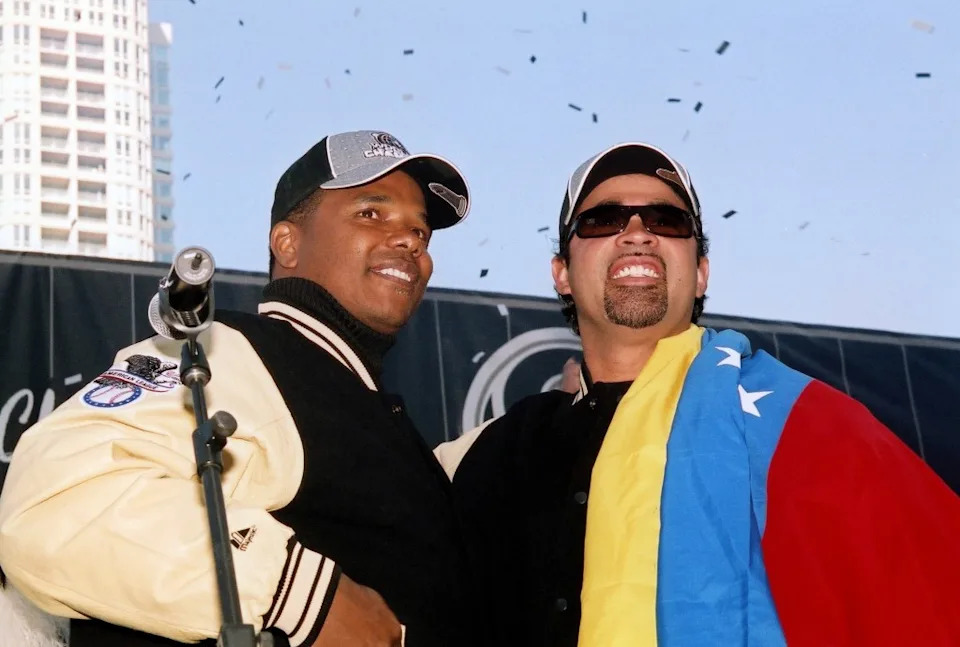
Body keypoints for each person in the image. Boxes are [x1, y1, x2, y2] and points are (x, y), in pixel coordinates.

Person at [436, 141, 960, 647]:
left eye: (668, 221)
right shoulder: (476, 459)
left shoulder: (808, 423)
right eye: (602, 220)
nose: (637, 233)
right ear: (562, 275)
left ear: (702, 273)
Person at [0, 130, 483, 647]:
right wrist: (297, 595)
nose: (410, 241)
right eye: (371, 214)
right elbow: (56, 502)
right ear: (287, 243)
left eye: (421, 232)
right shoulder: (235, 354)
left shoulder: (381, 418)